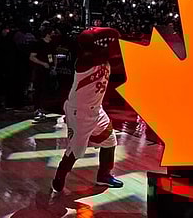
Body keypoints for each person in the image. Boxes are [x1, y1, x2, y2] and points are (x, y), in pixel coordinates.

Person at [51, 27, 124, 193]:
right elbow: (94, 40)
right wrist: (113, 38)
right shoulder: (85, 59)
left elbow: (119, 62)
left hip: (97, 110)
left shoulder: (104, 58)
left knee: (110, 141)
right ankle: (60, 176)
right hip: (80, 112)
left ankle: (104, 176)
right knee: (77, 149)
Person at [30, 27, 58, 121]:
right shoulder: (38, 44)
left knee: (46, 90)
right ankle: (36, 109)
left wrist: (54, 65)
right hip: (39, 70)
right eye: (52, 33)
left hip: (49, 70)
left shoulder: (52, 44)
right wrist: (42, 63)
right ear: (47, 34)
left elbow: (54, 56)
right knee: (38, 89)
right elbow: (32, 57)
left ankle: (42, 107)